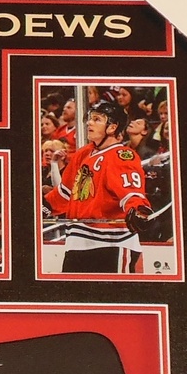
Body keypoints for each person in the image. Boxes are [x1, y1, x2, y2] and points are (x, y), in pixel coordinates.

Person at [43, 99, 152, 273]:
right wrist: (45, 206)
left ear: (112, 127)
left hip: (112, 244)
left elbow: (131, 192)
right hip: (77, 244)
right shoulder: (83, 154)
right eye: (90, 118)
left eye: (97, 119)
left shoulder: (122, 155)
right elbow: (66, 193)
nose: (89, 123)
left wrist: (138, 210)